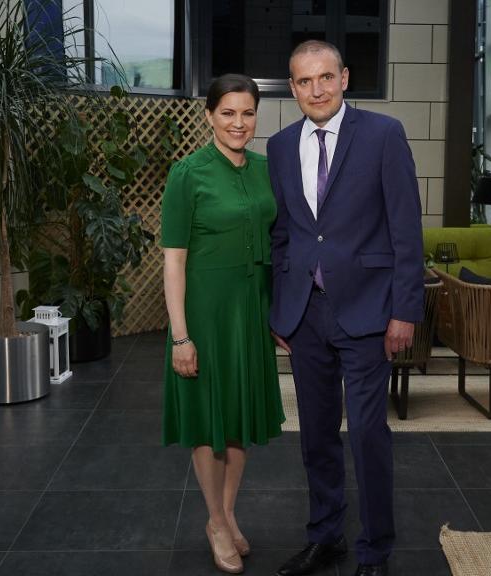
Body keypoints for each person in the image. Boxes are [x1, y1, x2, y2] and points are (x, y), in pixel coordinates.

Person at [266, 40, 424, 576]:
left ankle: (375, 549)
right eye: (305, 81)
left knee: (366, 433)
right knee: (315, 434)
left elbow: (406, 230)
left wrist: (406, 311)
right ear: (293, 88)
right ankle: (325, 535)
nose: (317, 89)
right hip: (305, 314)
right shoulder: (282, 146)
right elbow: (283, 235)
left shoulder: (383, 135)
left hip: (368, 311)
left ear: (345, 78)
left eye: (326, 78)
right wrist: (279, 309)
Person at [160, 73, 285, 575]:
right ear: (209, 115)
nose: (239, 122)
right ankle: (214, 520)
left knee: (239, 421)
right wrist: (181, 335)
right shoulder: (187, 174)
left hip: (251, 313)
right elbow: (173, 261)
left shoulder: (266, 169)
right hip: (207, 318)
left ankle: (228, 512)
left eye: (248, 112)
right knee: (210, 423)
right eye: (228, 112)